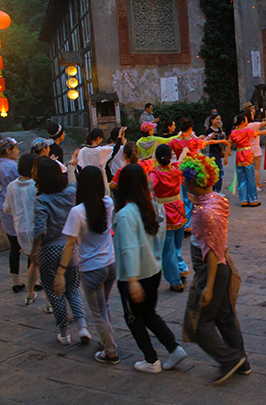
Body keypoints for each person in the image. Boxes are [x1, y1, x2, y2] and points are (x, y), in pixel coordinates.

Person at [180, 154, 250, 384]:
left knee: (200, 323)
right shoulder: (217, 199)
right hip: (222, 266)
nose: (184, 183)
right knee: (225, 317)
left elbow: (210, 251)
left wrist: (208, 287)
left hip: (212, 269)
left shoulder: (204, 212)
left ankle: (229, 359)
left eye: (186, 180)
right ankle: (242, 361)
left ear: (194, 182)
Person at [113, 164, 186, 373]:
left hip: (135, 275)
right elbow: (160, 237)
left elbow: (128, 248)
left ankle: (151, 359)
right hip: (153, 270)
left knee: (133, 317)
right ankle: (174, 348)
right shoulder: (153, 206)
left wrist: (132, 279)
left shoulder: (126, 214)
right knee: (148, 314)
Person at [53, 166, 120, 364]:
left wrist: (61, 272)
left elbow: (70, 243)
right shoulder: (108, 203)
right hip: (110, 264)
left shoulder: (77, 212)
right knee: (104, 306)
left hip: (91, 268)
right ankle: (106, 340)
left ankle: (110, 351)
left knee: (98, 312)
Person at [30, 157, 90, 345]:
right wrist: (71, 165)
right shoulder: (70, 193)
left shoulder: (41, 200)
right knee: (73, 287)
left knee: (54, 291)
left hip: (48, 250)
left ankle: (64, 333)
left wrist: (33, 250)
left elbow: (39, 231)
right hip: (70, 247)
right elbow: (73, 182)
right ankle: (82, 326)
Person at [4, 153, 47, 308]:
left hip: (21, 230)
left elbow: (7, 209)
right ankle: (50, 302)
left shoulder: (11, 186)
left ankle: (29, 294)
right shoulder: (36, 186)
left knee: (34, 262)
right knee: (45, 266)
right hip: (38, 231)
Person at [150, 144, 187, 292]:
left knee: (168, 248)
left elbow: (148, 188)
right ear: (170, 156)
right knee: (177, 245)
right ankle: (181, 268)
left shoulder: (155, 174)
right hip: (179, 209)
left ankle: (175, 280)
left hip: (164, 212)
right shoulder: (177, 168)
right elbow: (184, 155)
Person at [228, 113, 266, 207]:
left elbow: (229, 144)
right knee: (250, 178)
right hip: (247, 155)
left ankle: (243, 200)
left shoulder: (233, 132)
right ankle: (253, 199)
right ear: (243, 122)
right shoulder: (247, 131)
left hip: (239, 155)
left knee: (241, 178)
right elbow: (259, 133)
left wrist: (227, 155)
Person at [0, 137, 23, 293]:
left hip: (4, 210)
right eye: (15, 148)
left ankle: (15, 281)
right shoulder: (14, 168)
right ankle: (33, 281)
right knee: (29, 249)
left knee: (14, 248)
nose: (18, 151)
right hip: (18, 211)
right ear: (8, 150)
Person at [242, 108, 266, 189]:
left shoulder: (243, 127)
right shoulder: (253, 125)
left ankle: (248, 185)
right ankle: (256, 185)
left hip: (247, 148)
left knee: (248, 169)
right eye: (251, 114)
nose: (253, 115)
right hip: (255, 148)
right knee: (256, 169)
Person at [205, 113, 226, 193]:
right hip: (213, 153)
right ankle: (216, 190)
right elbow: (207, 141)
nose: (218, 121)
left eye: (219, 119)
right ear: (212, 120)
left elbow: (222, 142)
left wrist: (223, 136)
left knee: (219, 171)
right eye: (216, 119)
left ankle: (217, 190)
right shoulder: (209, 131)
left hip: (219, 153)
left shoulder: (219, 130)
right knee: (216, 172)